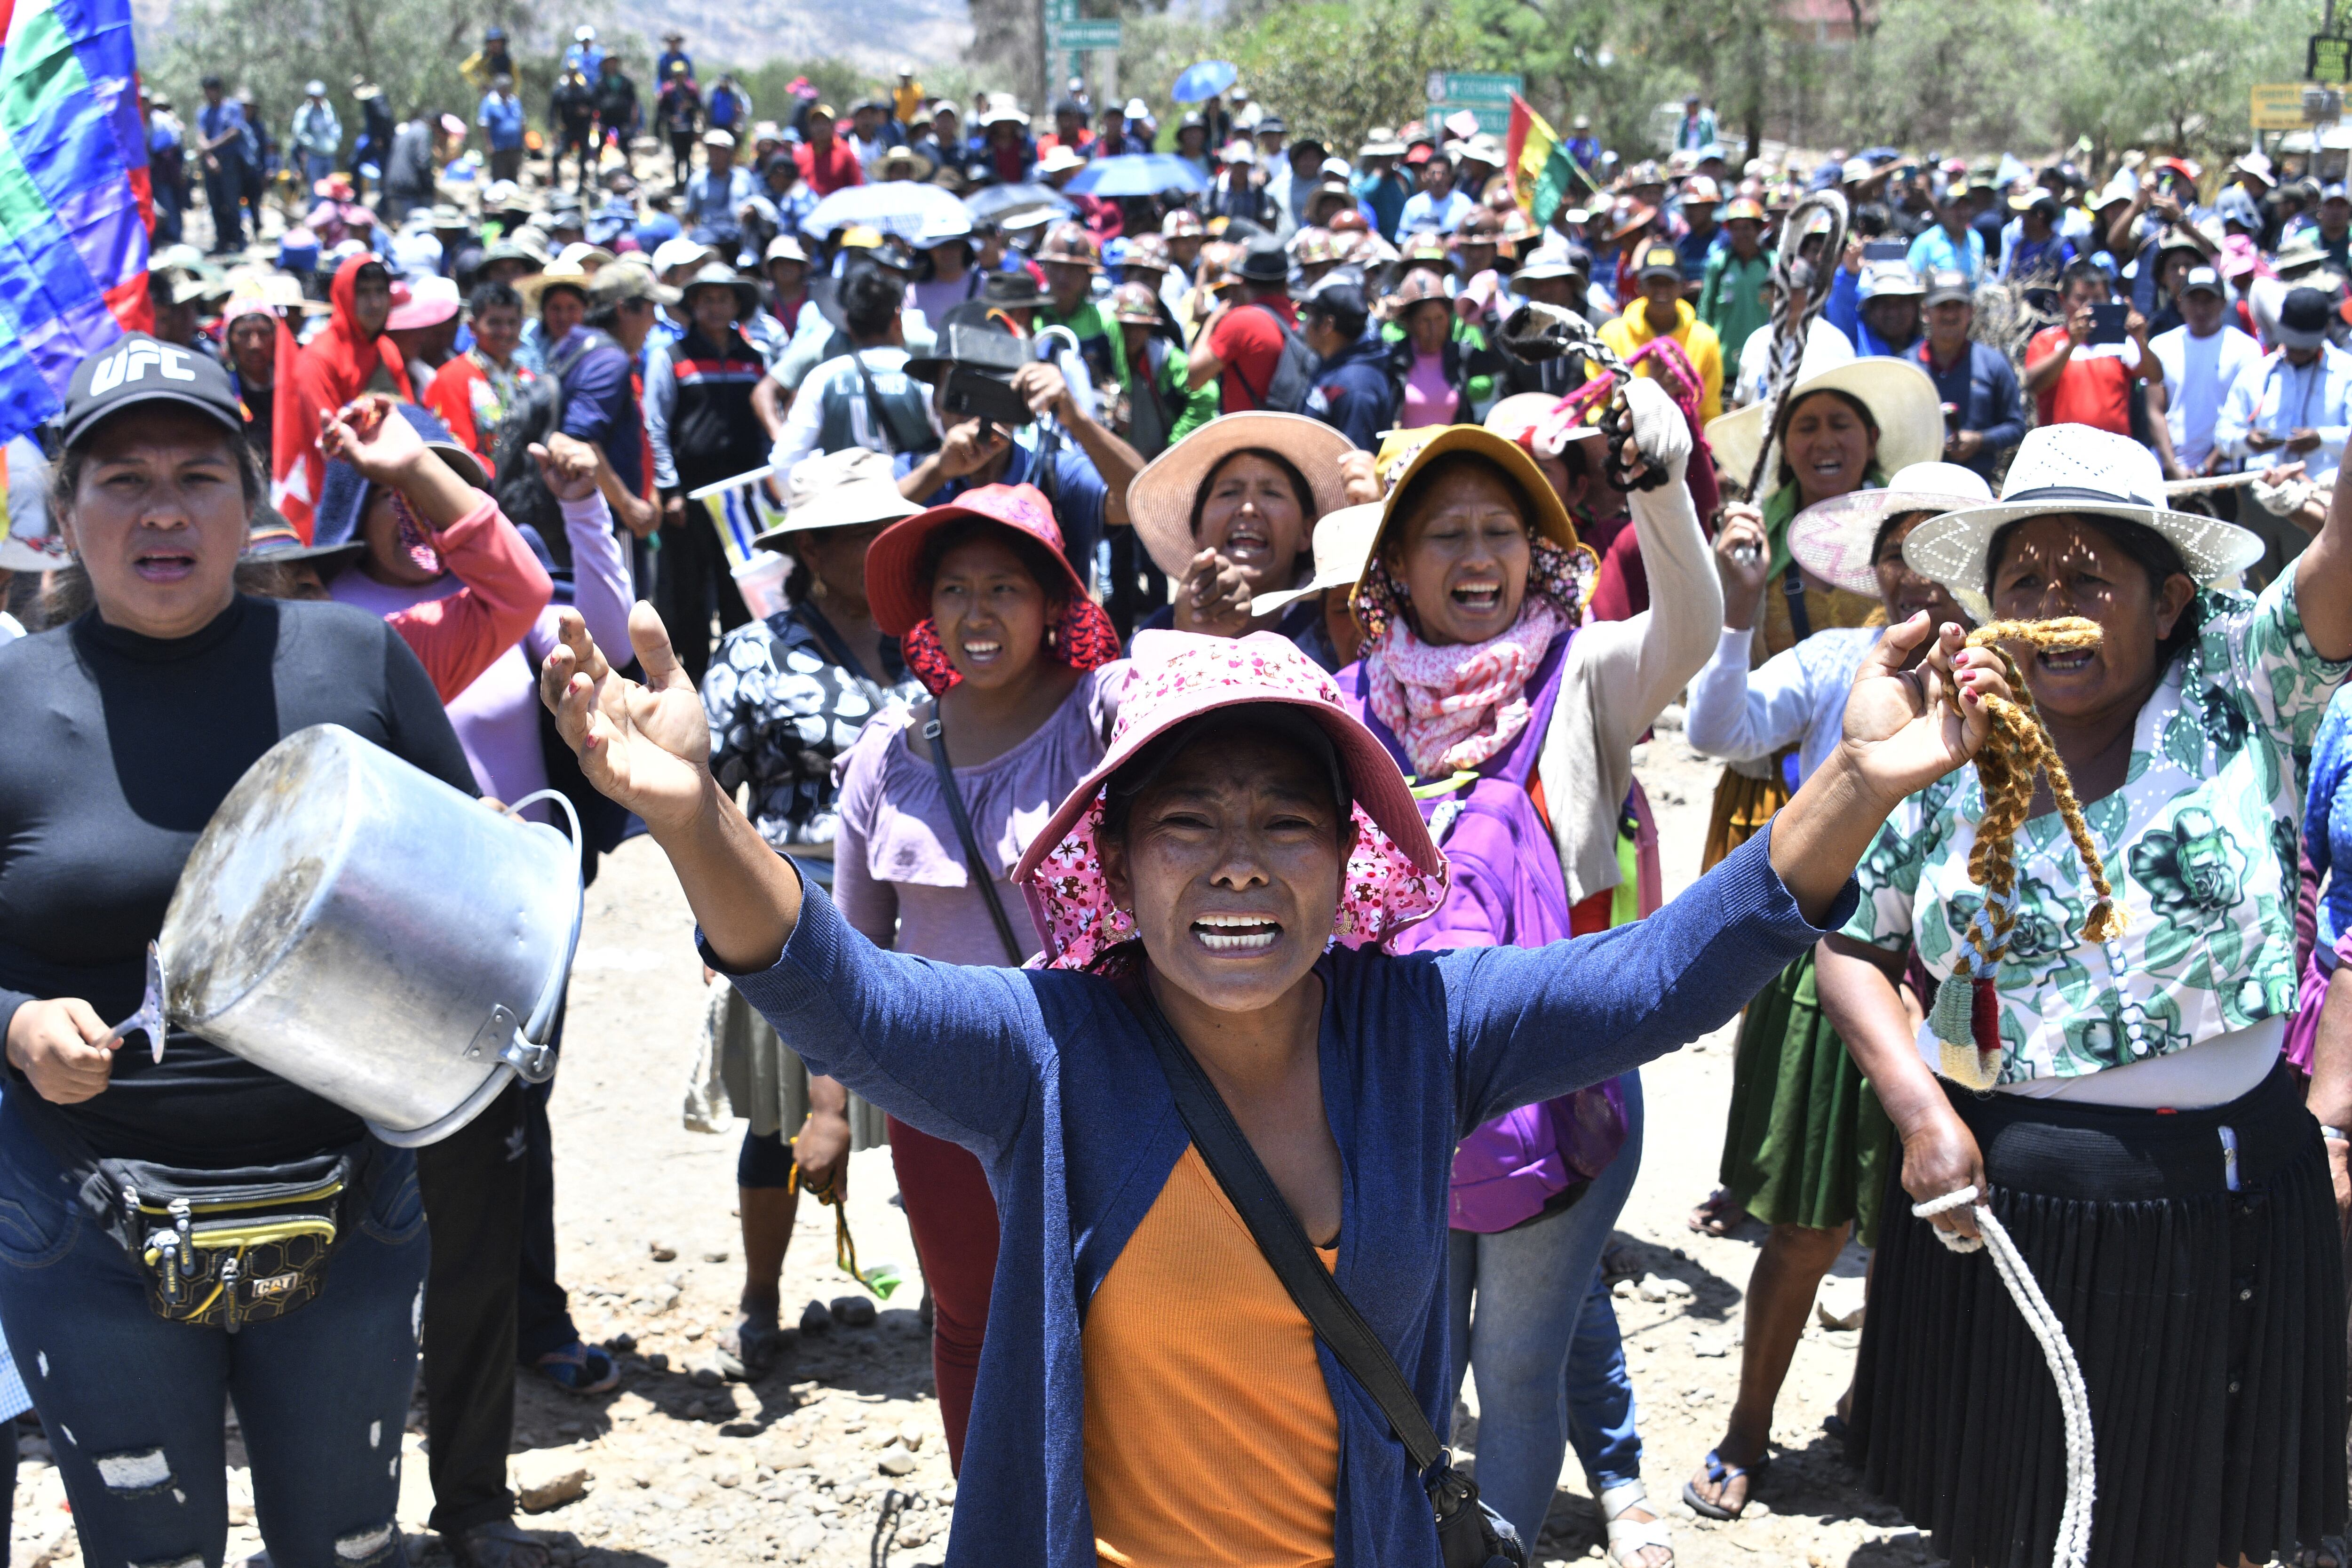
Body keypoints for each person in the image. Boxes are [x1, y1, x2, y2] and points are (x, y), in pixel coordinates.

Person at [532, 457, 2013, 1566]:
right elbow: (836, 993)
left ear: (1347, 855)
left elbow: (1658, 975)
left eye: (1281, 818)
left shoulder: (1419, 1022)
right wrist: (690, 816)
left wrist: (1852, 784)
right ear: (1109, 858)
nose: (1238, 856)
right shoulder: (1046, 1046)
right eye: (1185, 817)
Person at [1818, 421, 2352, 1568]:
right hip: (2008, 1196)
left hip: (2234, 1192)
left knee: (2198, 1514)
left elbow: (2343, 556)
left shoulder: (2249, 682)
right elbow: (1852, 942)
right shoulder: (1944, 746)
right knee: (2019, 1514)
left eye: (2089, 579)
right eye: (2024, 580)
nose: (2052, 602)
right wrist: (1919, 1115)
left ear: (2166, 606)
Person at [0, 336, 475, 1568]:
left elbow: (475, 902)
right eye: (123, 478)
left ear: (254, 505)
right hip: (81, 1214)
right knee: (147, 1546)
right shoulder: (7, 699)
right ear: (64, 512)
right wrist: (13, 1018)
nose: (165, 509)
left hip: (348, 1207)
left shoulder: (355, 666)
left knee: (348, 1542)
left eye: (200, 474)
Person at [1334, 390, 1718, 1560]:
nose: (1476, 556)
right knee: (1410, 1354)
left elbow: (1691, 631)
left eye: (1500, 530)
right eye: (1443, 532)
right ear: (1395, 561)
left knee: (1513, 1358)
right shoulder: (1352, 707)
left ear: (1540, 553)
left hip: (1561, 1090)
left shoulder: (1587, 678)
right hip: (1399, 1097)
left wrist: (1659, 486)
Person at [1678, 462, 1988, 1520]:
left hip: (1955, 992)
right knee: (1806, 1229)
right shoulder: (1832, 659)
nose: (1916, 570)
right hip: (1837, 973)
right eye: (1901, 545)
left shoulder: (2012, 677)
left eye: (1946, 545)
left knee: (1925, 1227)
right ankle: (1746, 1427)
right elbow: (1715, 731)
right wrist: (1735, 617)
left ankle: (1870, 1408)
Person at [830, 481, 1126, 1468]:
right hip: (940, 1096)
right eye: (953, 589)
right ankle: (994, 1521)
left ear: (1055, 605)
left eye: (1004, 586)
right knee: (968, 1317)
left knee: (1114, 1307)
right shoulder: (888, 753)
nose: (976, 613)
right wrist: (831, 1103)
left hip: (1100, 1080)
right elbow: (853, 951)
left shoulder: (1104, 722)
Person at [697, 451, 918, 1371]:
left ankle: (960, 1293)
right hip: (793, 905)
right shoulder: (755, 651)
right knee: (781, 1120)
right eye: (856, 537)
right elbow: (703, 791)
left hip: (921, 900)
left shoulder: (933, 640)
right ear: (813, 551)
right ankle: (760, 1299)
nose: (876, 552)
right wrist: (715, 917)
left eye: (886, 534)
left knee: (942, 1109)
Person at [897, 325, 1142, 573]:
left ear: (1021, 398)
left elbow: (1140, 502)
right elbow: (864, 535)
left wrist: (1076, 419)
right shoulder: (913, 471)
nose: (974, 410)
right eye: (958, 390)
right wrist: (937, 472)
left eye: (991, 389)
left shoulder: (1056, 476)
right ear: (935, 402)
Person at [1124, 411, 1353, 658]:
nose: (1248, 509)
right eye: (1229, 493)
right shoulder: (1156, 639)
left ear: (1307, 532)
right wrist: (1189, 641)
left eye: (1272, 494)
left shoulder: (1336, 627)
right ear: (1199, 530)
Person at [647, 264, 768, 686]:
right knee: (690, 587)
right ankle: (695, 673)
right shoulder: (671, 358)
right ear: (694, 306)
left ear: (737, 305)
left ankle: (742, 670)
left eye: (724, 299)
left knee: (739, 581)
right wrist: (670, 488)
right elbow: (656, 425)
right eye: (707, 299)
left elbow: (764, 422)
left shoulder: (754, 359)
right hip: (692, 494)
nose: (716, 307)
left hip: (741, 492)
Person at [763, 265, 933, 476]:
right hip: (921, 503)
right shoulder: (924, 374)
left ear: (847, 322)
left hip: (847, 504)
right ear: (898, 319)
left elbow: (784, 463)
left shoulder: (821, 378)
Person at [276, 253, 400, 540]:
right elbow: (330, 443)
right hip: (336, 497)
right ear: (344, 295)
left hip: (387, 490)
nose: (375, 303)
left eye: (381, 292)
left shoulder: (387, 350)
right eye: (363, 293)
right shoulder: (319, 358)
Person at [2148, 264, 2263, 483]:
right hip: (2169, 471)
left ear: (2223, 304)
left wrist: (2206, 467)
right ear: (2180, 303)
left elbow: (2247, 415)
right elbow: (2155, 410)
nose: (2201, 309)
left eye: (2208, 300)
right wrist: (2173, 467)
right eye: (2194, 300)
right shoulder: (2160, 346)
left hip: (2225, 471)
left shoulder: (2246, 349)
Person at [2022, 259, 2157, 438]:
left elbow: (2155, 376)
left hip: (2113, 452)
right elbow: (2033, 385)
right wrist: (2071, 344)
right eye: (2081, 299)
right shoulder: (2047, 340)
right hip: (2061, 451)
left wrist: (2140, 340)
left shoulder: (2120, 341)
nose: (2089, 307)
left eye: (2097, 298)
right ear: (2064, 300)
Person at [1911, 270, 2024, 481]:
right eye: (1942, 306)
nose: (1950, 314)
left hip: (1978, 485)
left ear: (1971, 311)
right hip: (1919, 486)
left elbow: (2017, 426)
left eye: (1958, 306)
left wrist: (1980, 440)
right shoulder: (1908, 367)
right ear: (1926, 311)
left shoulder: (1993, 363)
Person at [1602, 242, 1725, 422]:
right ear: (1639, 287)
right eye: (1654, 283)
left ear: (1683, 287)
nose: (1661, 291)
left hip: (1687, 443)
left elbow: (1710, 412)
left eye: (1669, 283)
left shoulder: (1705, 339)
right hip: (1622, 440)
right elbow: (1596, 405)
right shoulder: (1611, 335)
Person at [426, 282, 534, 465]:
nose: (505, 332)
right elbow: (459, 454)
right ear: (472, 326)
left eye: (512, 323)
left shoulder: (528, 378)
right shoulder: (452, 379)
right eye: (495, 323)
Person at [1190, 238, 1298, 415]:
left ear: (1243, 282)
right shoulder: (1298, 317)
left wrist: (1211, 322)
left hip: (1248, 435)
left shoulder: (1241, 322)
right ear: (1285, 283)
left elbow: (1195, 378)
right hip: (1292, 430)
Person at [1110, 280, 1216, 460]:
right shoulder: (1109, 354)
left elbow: (1207, 395)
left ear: (1151, 328)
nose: (1133, 333)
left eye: (1141, 327)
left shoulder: (1166, 359)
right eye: (1127, 326)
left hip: (1160, 460)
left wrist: (1173, 446)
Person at [1297, 278, 1394, 452]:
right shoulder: (1332, 365)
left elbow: (1354, 459)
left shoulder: (1358, 386)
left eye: (1311, 315)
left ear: (1328, 324)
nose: (1305, 324)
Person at [1384, 271, 1480, 430]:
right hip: (1406, 453)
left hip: (1450, 453)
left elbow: (1502, 359)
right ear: (1409, 323)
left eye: (1440, 319)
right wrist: (1380, 320)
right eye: (1425, 321)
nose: (1434, 329)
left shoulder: (1459, 355)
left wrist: (1488, 311)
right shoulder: (1395, 358)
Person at [1700, 198, 1774, 388]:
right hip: (1723, 363)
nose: (1741, 234)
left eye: (1747, 227)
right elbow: (1705, 311)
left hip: (1762, 362)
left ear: (1759, 229)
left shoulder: (1773, 263)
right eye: (1736, 228)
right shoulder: (1719, 263)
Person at [195, 76, 250, 254]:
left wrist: (210, 147)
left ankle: (239, 240)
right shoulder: (204, 112)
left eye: (211, 90)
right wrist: (209, 156)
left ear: (219, 90)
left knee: (232, 202)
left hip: (229, 162)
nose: (209, 94)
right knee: (215, 202)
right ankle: (222, 241)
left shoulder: (232, 108)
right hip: (210, 163)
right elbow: (201, 136)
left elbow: (234, 132)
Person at [683, 129, 755, 252]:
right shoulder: (698, 180)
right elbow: (689, 217)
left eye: (721, 151)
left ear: (730, 153)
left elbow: (757, 203)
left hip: (737, 232)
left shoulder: (744, 177)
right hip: (708, 233)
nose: (715, 155)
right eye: (712, 150)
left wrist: (751, 211)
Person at [1904, 184, 1985, 285]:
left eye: (1965, 207)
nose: (1962, 213)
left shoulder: (1976, 239)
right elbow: (1911, 279)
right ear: (1941, 211)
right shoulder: (1925, 242)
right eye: (1956, 208)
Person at [1399, 149, 1475, 236]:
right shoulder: (1413, 205)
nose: (1438, 179)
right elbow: (1402, 239)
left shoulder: (1464, 203)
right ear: (1426, 175)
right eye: (1434, 173)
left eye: (1443, 173)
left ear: (1451, 176)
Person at [795, 105, 863, 197]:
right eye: (816, 123)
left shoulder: (845, 152)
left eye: (824, 123)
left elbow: (857, 186)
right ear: (810, 127)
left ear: (833, 126)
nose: (820, 128)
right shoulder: (801, 153)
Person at [551, 68, 597, 194]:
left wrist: (587, 112)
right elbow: (553, 112)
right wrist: (553, 130)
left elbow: (595, 108)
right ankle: (556, 185)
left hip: (582, 129)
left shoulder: (586, 92)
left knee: (583, 158)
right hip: (567, 130)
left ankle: (582, 186)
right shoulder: (561, 92)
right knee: (557, 156)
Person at [658, 64, 702, 188]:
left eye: (681, 75)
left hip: (688, 127)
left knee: (688, 156)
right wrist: (670, 118)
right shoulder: (668, 91)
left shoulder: (691, 90)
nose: (679, 78)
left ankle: (689, 182)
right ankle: (677, 183)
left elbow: (698, 106)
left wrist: (690, 106)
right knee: (677, 156)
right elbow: (662, 110)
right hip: (675, 129)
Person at [478, 74, 527, 185]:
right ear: (498, 88)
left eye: (508, 88)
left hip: (515, 147)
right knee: (500, 180)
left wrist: (524, 142)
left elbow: (522, 123)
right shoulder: (489, 102)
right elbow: (484, 125)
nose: (506, 91)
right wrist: (489, 145)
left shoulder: (515, 101)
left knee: (513, 179)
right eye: (504, 88)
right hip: (499, 149)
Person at [291, 80, 339, 188]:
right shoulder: (304, 112)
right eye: (314, 96)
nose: (317, 99)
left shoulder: (329, 110)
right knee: (317, 188)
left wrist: (336, 140)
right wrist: (313, 144)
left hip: (329, 155)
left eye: (320, 95)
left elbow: (336, 126)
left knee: (329, 188)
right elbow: (299, 133)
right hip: (314, 156)